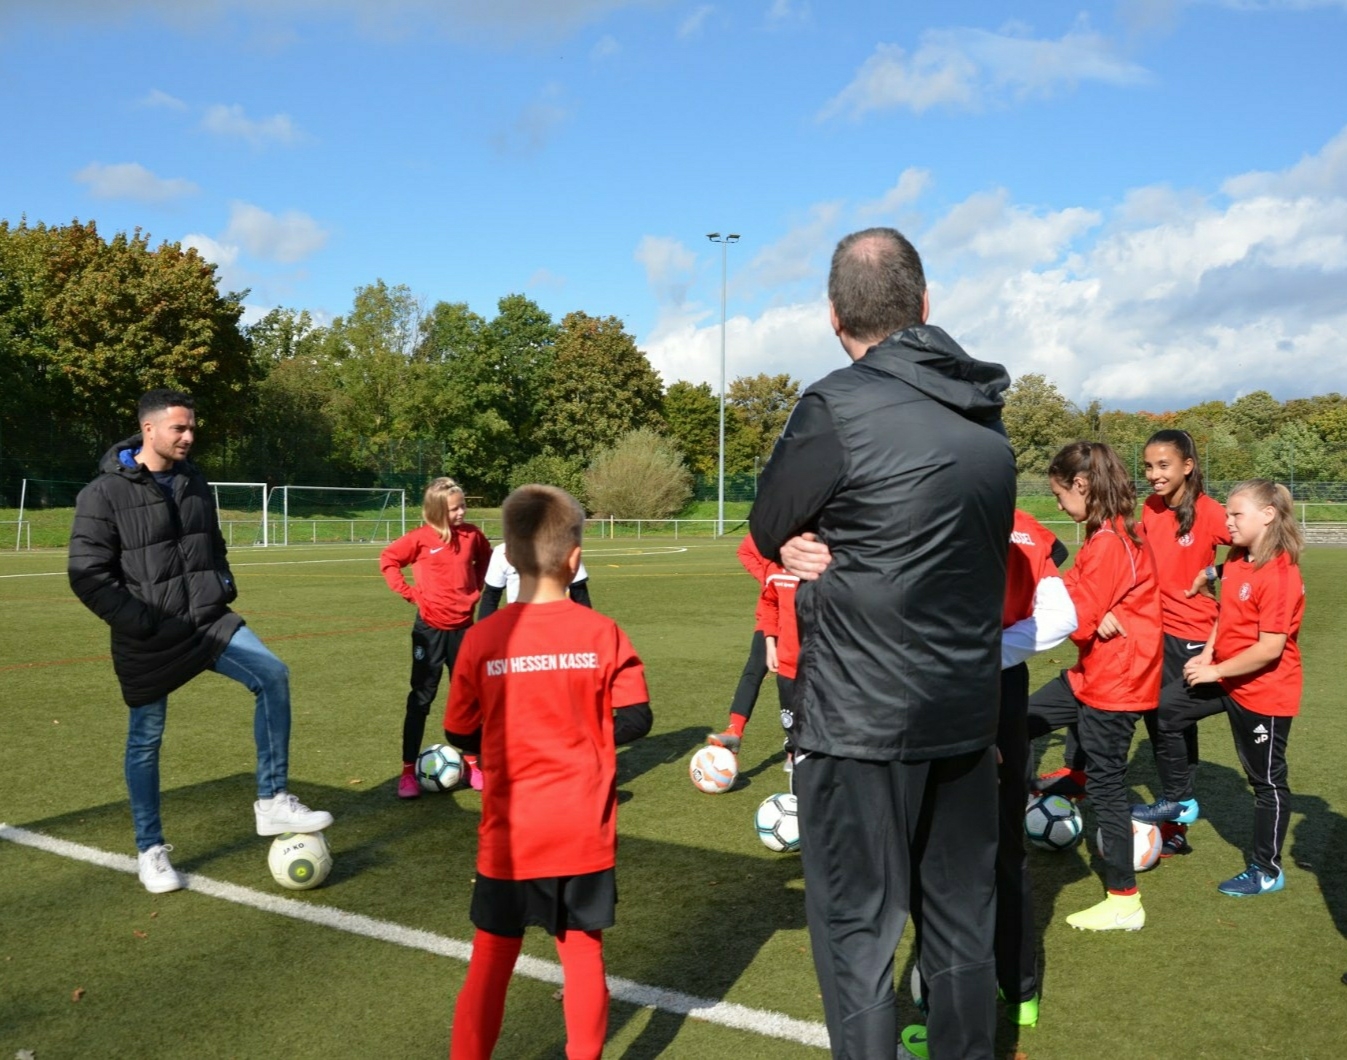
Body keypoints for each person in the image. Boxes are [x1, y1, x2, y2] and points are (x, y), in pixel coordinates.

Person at [750, 227, 1016, 1060]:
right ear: (925, 304)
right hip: (965, 716)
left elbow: (767, 522)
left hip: (860, 721)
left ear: (834, 317)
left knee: (858, 937)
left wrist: (799, 541)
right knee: (961, 928)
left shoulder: (834, 405)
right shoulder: (986, 418)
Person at [793, 512, 1077, 1056]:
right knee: (998, 850)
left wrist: (976, 656)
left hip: (939, 690)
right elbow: (1060, 615)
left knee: (928, 867)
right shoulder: (1023, 525)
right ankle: (1019, 993)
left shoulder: (933, 514)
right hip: (1000, 686)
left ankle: (941, 1012)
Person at [68, 389, 332, 894]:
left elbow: (211, 542)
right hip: (147, 634)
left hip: (208, 620)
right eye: (179, 429)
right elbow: (87, 573)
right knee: (146, 739)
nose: (189, 437)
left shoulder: (194, 480)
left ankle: (273, 800)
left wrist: (222, 584)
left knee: (273, 675)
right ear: (149, 430)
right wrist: (141, 621)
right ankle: (151, 850)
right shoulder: (102, 494)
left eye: (192, 428)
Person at [443, 485, 653, 1059]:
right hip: (582, 831)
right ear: (575, 556)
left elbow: (459, 733)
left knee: (491, 959)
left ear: (505, 557)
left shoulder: (482, 639)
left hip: (512, 835)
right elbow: (636, 718)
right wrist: (577, 736)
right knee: (583, 955)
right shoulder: (601, 632)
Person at [1132, 480, 1305, 897]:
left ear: (1267, 516)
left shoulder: (1281, 574)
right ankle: (1180, 800)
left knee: (1265, 781)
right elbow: (1225, 613)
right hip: (1226, 675)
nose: (1227, 523)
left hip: (1264, 691)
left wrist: (1216, 669)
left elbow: (1269, 648)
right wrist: (1209, 654)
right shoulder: (1240, 555)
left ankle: (1267, 869)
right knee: (1165, 710)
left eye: (1236, 515)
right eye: (1227, 514)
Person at [1025, 442, 1162, 931]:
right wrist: (1091, 613)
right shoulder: (1108, 532)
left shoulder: (1109, 542)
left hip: (1116, 682)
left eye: (1061, 494)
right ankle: (1016, 804)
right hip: (1093, 673)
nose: (1059, 505)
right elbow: (1077, 600)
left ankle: (1125, 898)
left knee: (1107, 784)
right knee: (1021, 720)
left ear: (1081, 485)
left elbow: (1074, 620)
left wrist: (1091, 615)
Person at [380, 478, 492, 798]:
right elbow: (388, 560)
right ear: (438, 510)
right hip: (429, 630)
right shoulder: (419, 539)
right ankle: (407, 772)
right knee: (421, 699)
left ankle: (472, 763)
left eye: (462, 506)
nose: (462, 511)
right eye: (455, 508)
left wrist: (477, 587)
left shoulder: (472, 535)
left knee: (468, 699)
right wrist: (410, 594)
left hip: (464, 630)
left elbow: (486, 559)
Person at [706, 534, 774, 755]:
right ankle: (734, 730)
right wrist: (765, 577)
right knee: (754, 669)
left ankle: (797, 744)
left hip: (805, 616)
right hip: (770, 613)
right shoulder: (768, 529)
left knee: (795, 681)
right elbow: (745, 549)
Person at [756, 555, 801, 772]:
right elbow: (769, 602)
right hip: (786, 658)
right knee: (789, 714)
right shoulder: (774, 567)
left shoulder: (820, 562)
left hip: (821, 662)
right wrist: (770, 643)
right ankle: (793, 751)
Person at [476, 539, 591, 619]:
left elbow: (580, 594)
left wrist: (588, 629)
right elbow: (491, 596)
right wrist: (483, 633)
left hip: (558, 623)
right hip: (519, 625)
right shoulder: (502, 551)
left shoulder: (566, 549)